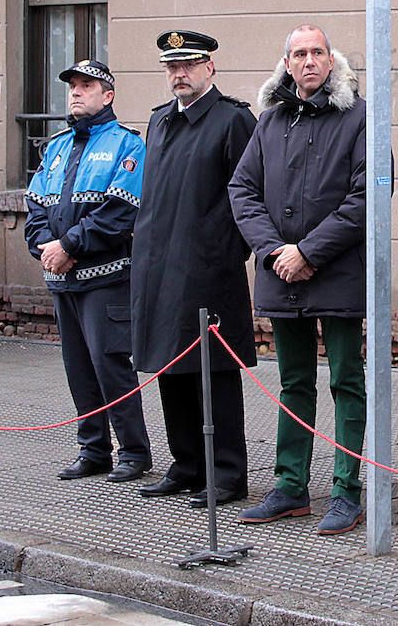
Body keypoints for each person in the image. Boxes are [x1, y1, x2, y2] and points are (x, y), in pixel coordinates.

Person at [229, 25, 368, 535]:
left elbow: (367, 197)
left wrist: (308, 251)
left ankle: (346, 491)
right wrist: (274, 252)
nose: (309, 61)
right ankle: (290, 487)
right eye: (299, 53)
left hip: (337, 276)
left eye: (318, 52)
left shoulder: (358, 117)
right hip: (281, 276)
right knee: (293, 383)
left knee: (346, 382)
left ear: (331, 60)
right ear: (286, 63)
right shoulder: (270, 121)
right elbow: (242, 190)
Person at [132, 30, 258, 508]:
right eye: (171, 67)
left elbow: (246, 195)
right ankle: (185, 464)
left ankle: (227, 473)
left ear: (210, 68)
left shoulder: (232, 120)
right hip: (160, 268)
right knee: (170, 365)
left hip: (208, 271)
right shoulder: (160, 121)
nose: (178, 75)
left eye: (188, 65)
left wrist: (226, 254)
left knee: (214, 372)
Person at [24, 60, 152, 483]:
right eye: (73, 86)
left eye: (87, 86)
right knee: (78, 368)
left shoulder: (127, 144)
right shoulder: (57, 146)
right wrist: (46, 247)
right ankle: (93, 450)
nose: (77, 92)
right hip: (62, 279)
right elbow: (36, 209)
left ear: (108, 95)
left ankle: (133, 452)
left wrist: (67, 246)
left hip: (107, 279)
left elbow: (120, 213)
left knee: (110, 365)